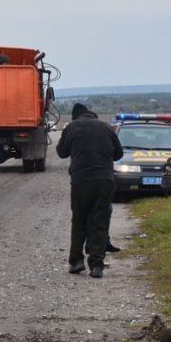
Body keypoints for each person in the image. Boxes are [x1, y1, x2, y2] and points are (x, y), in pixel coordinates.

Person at [56, 103, 123, 278]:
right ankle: (97, 266)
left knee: (79, 221)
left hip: (81, 181)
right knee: (100, 221)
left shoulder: (72, 127)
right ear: (92, 115)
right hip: (104, 180)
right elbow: (119, 154)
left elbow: (61, 153)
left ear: (75, 116)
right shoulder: (106, 127)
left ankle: (77, 261)